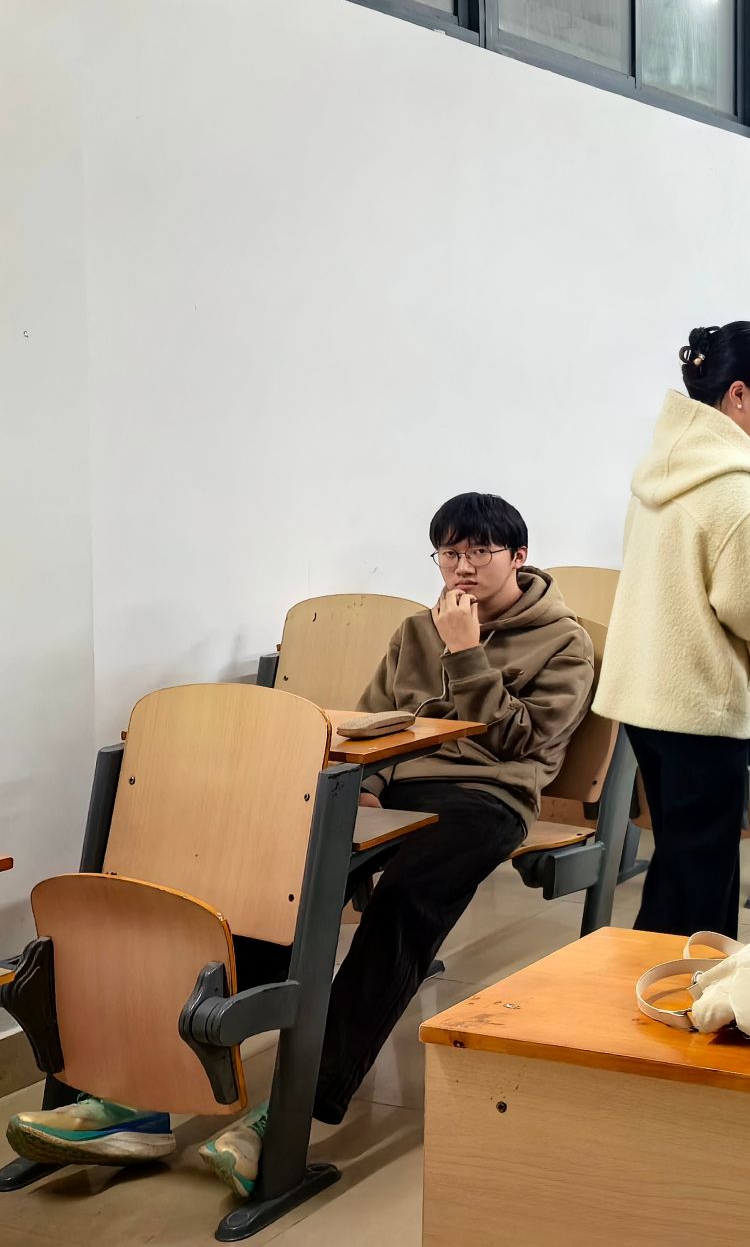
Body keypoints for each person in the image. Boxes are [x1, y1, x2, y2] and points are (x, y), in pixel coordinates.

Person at [8, 494, 596, 1193]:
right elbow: (374, 720)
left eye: (480, 552)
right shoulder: (416, 629)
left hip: (488, 798)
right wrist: (366, 784)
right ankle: (139, 1100)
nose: (462, 568)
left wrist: (467, 654)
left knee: (403, 906)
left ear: (518, 557)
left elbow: (526, 745)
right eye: (449, 553)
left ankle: (286, 1120)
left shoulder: (565, 640)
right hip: (393, 786)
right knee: (266, 890)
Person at [595, 323, 750, 937]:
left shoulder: (662, 468)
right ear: (738, 394)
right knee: (705, 875)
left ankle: (647, 982)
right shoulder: (732, 485)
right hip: (700, 700)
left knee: (678, 862)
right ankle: (695, 988)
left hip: (649, 693)